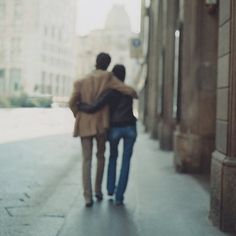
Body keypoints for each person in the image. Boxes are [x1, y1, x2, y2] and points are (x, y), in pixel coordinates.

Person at [69, 53, 137, 207]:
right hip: (101, 123)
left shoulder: (81, 81)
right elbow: (126, 89)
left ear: (95, 62)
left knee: (86, 160)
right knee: (101, 157)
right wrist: (134, 93)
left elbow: (72, 102)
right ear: (108, 64)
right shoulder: (108, 78)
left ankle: (88, 197)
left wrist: (78, 115)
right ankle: (98, 190)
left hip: (85, 122)